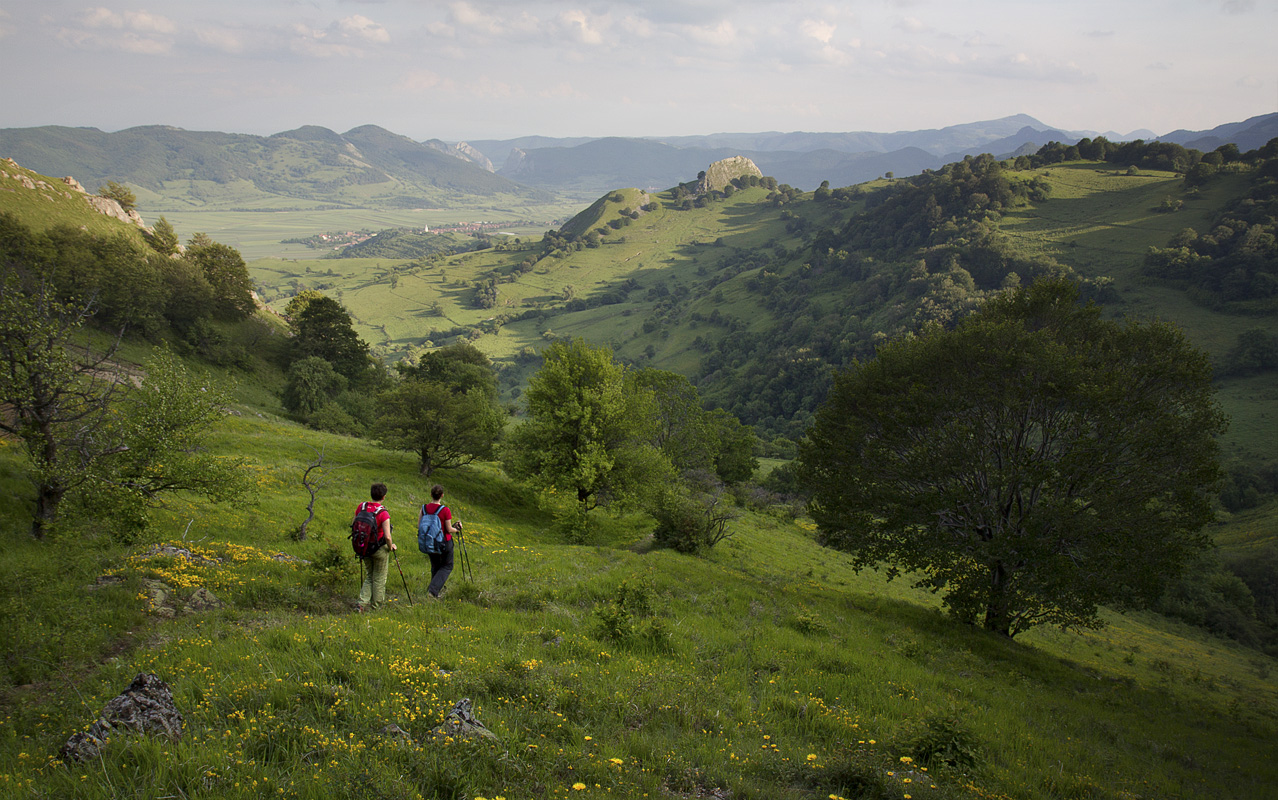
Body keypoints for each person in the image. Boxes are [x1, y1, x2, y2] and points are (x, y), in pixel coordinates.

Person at [356, 482, 395, 611]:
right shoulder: (383, 513)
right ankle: (376, 606)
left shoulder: (361, 507)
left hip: (363, 547)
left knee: (369, 576)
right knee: (379, 577)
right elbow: (388, 537)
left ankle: (362, 603)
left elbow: (354, 525)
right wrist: (390, 547)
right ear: (383, 497)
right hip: (378, 549)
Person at [420, 484, 460, 598]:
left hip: (429, 541)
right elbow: (448, 529)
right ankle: (432, 591)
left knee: (435, 566)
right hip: (444, 542)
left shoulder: (424, 508)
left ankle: (434, 591)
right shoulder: (445, 510)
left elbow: (419, 525)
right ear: (442, 495)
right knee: (447, 566)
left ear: (431, 495)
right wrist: (456, 529)